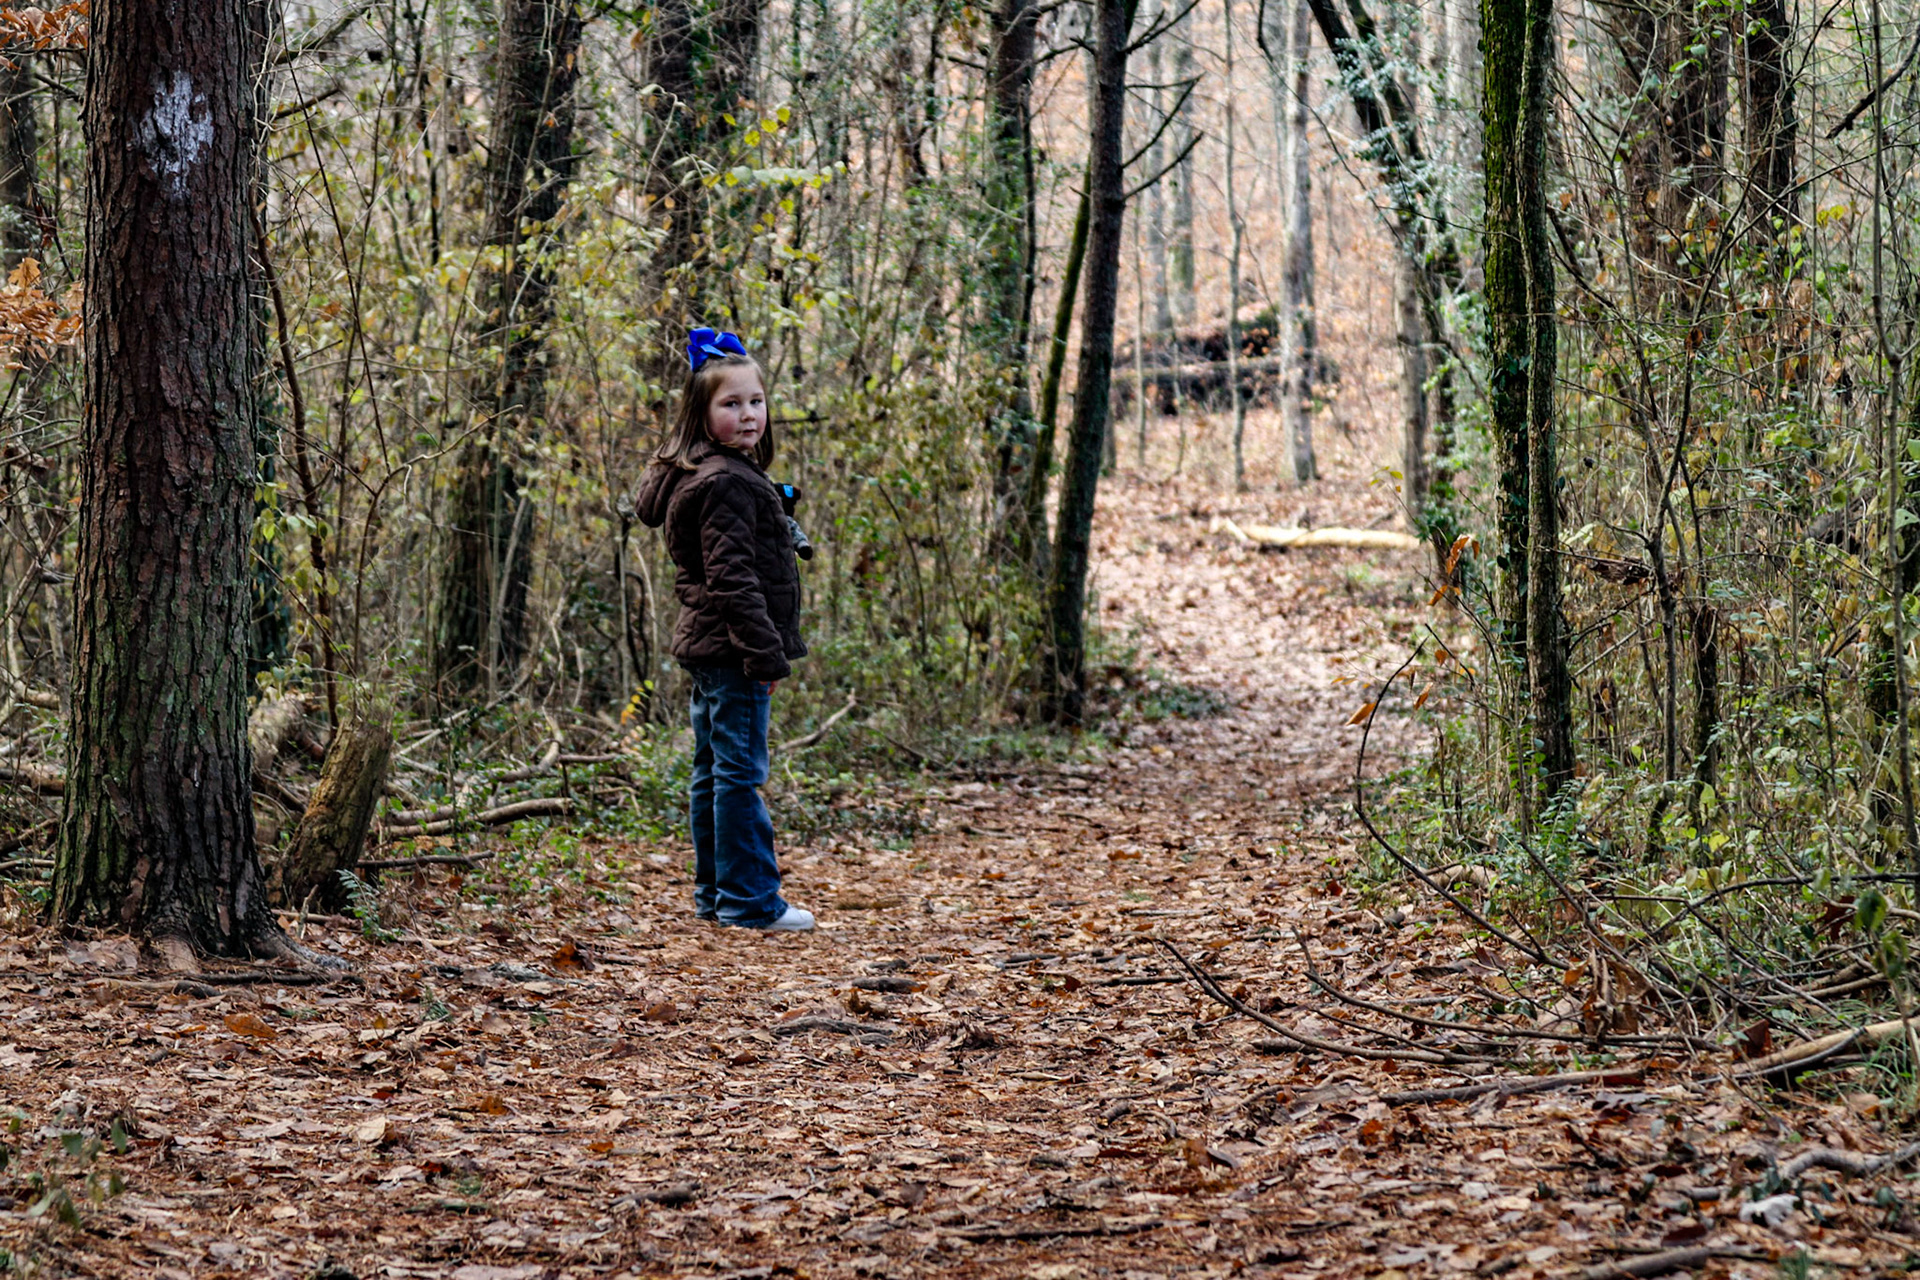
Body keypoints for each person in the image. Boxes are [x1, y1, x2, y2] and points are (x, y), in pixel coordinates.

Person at [635, 328, 816, 932]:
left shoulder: (708, 472)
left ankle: (717, 897)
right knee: (738, 775)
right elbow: (733, 580)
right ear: (702, 413)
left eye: (755, 401)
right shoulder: (726, 482)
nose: (748, 415)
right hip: (734, 651)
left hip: (711, 647)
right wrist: (765, 657)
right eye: (730, 404)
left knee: (715, 771)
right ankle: (749, 902)